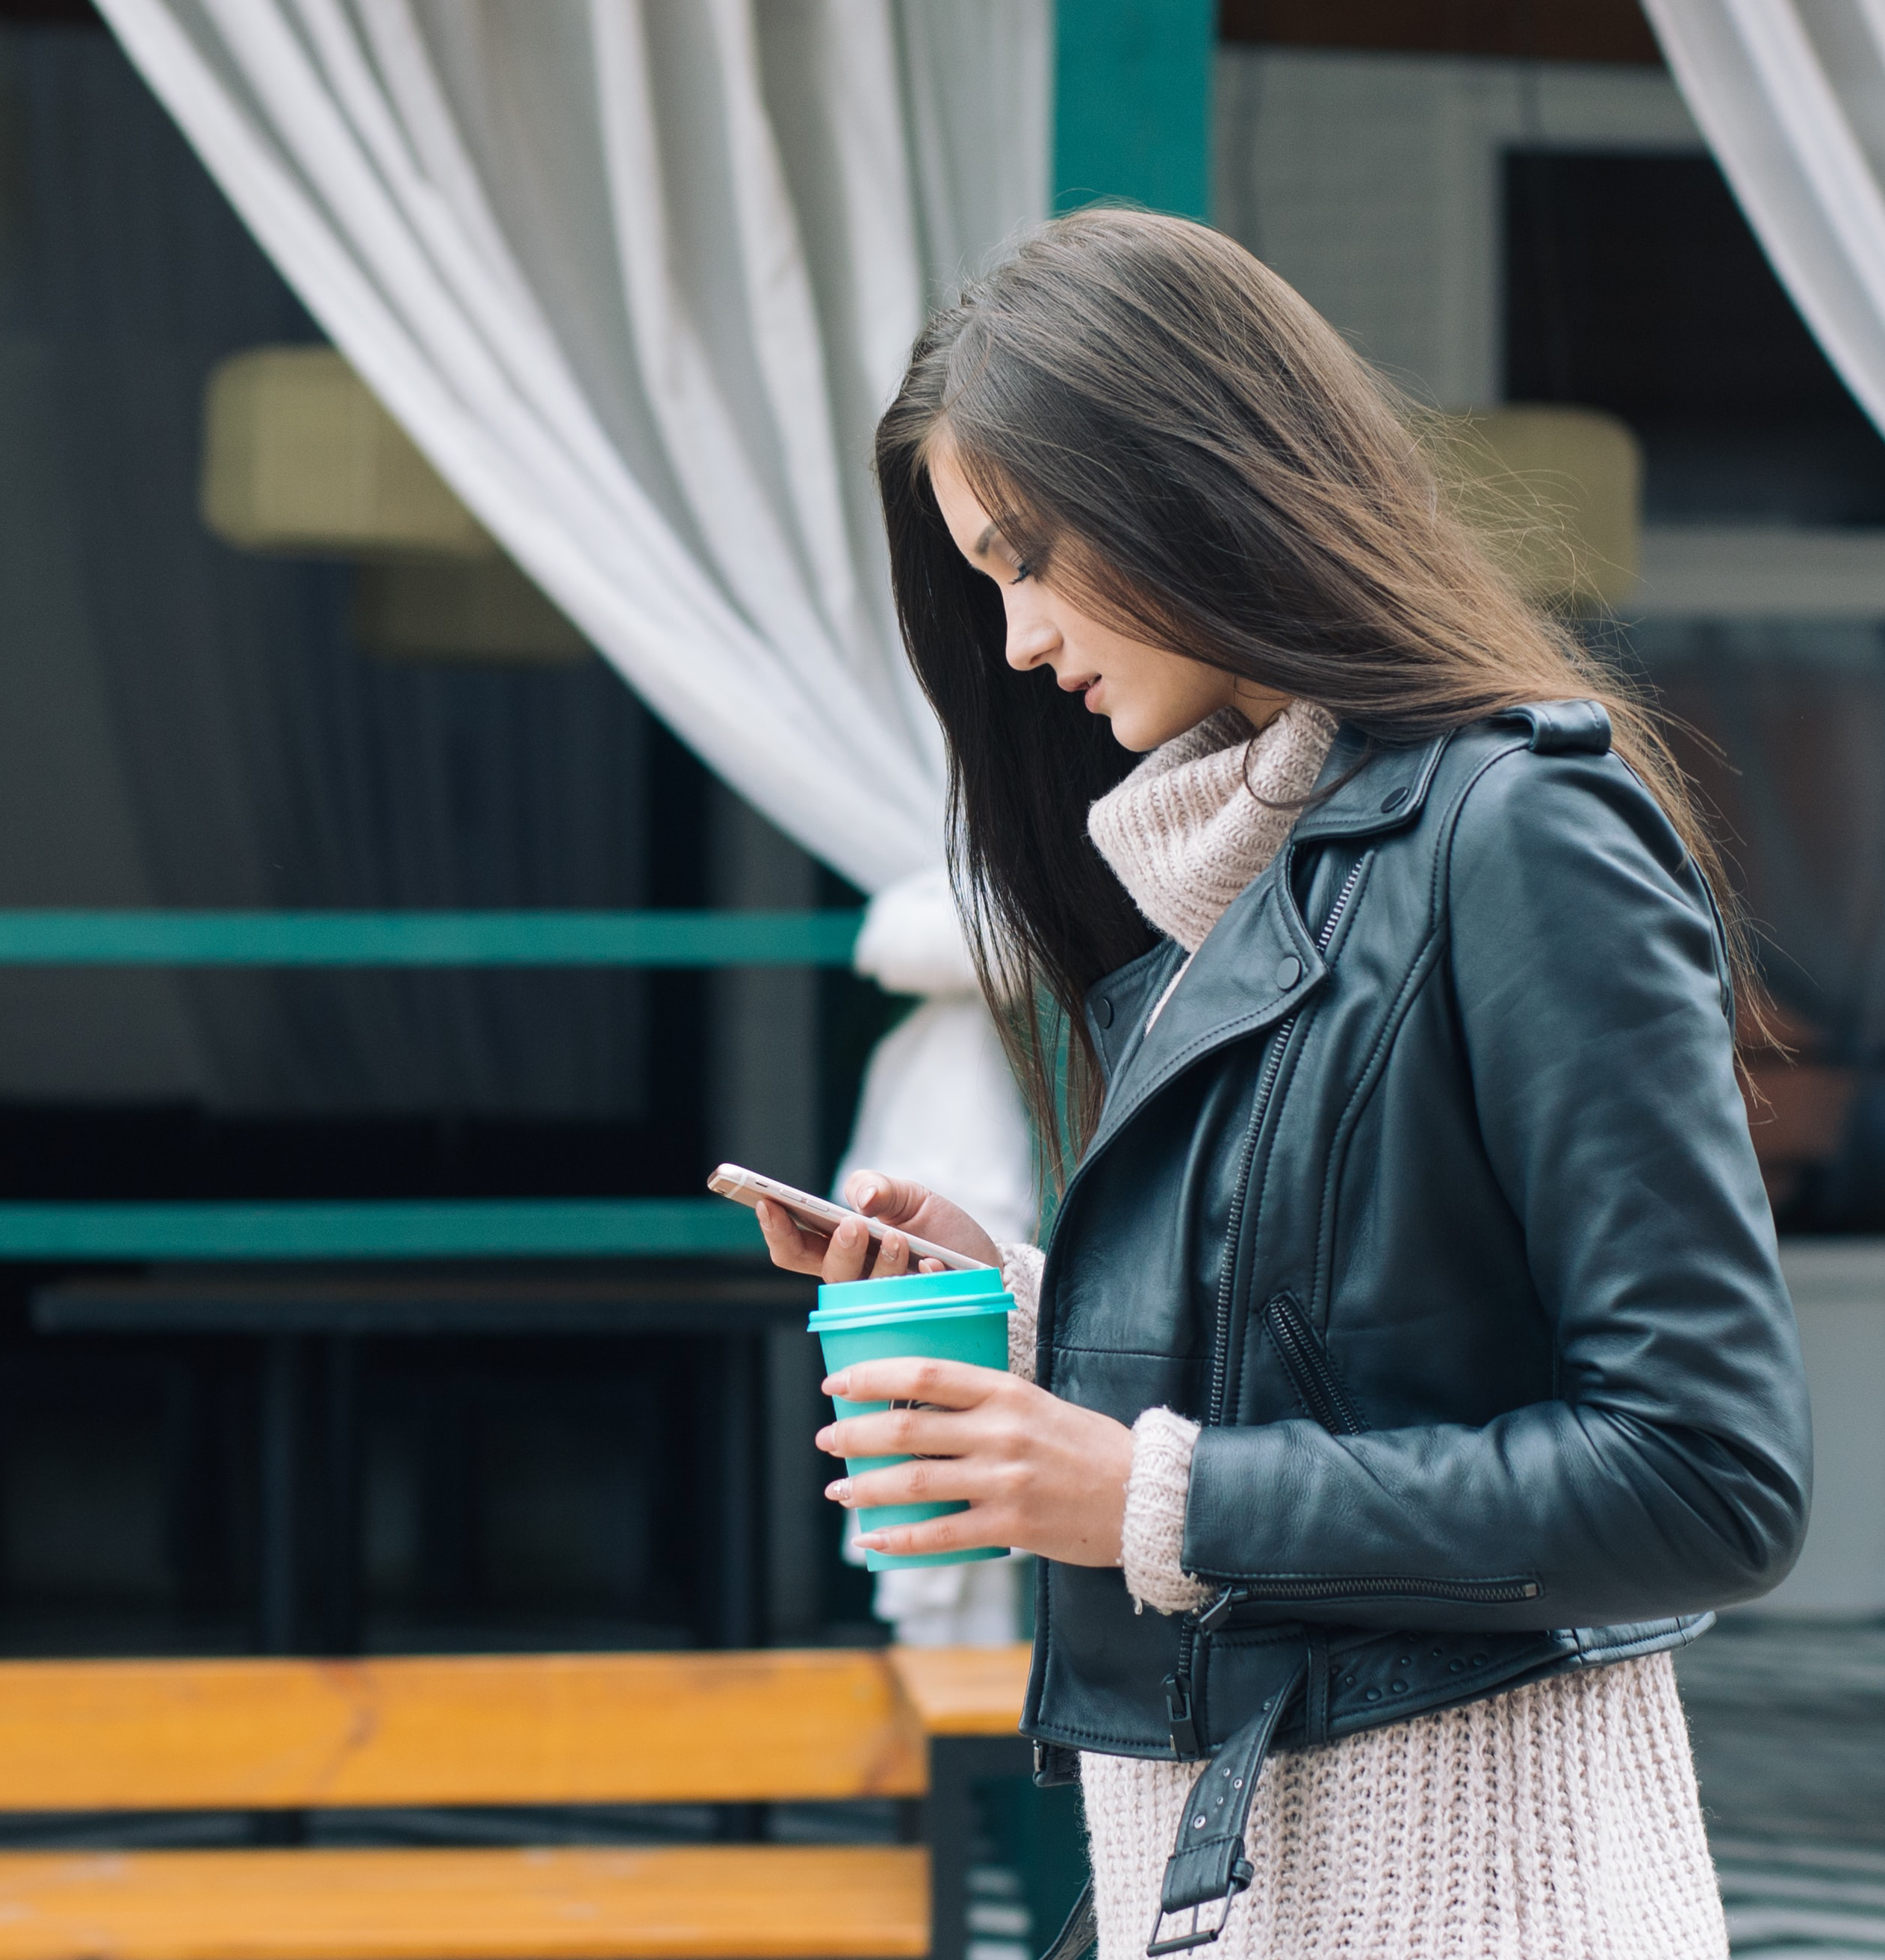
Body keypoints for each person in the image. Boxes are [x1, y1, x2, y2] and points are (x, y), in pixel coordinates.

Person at [752, 208, 1810, 1960]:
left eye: (1026, 557)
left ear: (1179, 474)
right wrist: (1021, 1320)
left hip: (1481, 1901)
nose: (1013, 640)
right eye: (983, 580)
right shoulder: (1210, 878)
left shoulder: (1519, 834)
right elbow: (1353, 1344)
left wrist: (1144, 1497)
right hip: (1228, 1882)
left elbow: (1705, 1475)